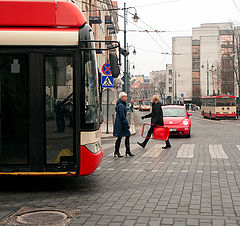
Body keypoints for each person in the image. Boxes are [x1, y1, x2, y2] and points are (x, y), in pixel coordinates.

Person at [113, 92, 134, 158]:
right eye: (125, 97)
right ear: (122, 97)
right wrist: (126, 124)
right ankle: (118, 151)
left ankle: (126, 151)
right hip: (121, 124)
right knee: (120, 137)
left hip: (120, 123)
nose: (126, 98)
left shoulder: (121, 104)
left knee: (126, 136)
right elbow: (122, 116)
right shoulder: (121, 105)